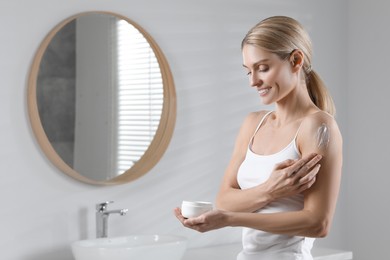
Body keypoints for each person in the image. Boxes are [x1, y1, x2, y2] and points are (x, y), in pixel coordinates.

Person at [174, 15, 343, 260]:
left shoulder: (317, 126)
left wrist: (229, 220)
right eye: (248, 71)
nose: (253, 81)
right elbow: (225, 200)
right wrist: (269, 190)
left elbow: (318, 223)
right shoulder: (253, 123)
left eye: (263, 68)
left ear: (296, 60)